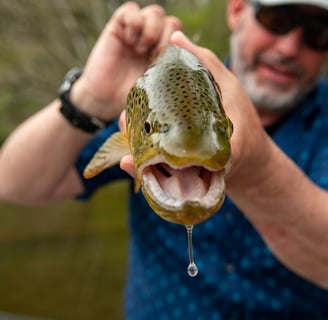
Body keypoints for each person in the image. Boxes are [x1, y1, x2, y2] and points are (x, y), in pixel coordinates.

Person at [0, 0, 328, 318]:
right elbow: (14, 183)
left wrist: (257, 167)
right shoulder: (139, 100)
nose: (288, 48)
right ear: (238, 10)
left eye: (318, 31)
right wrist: (89, 97)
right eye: (277, 21)